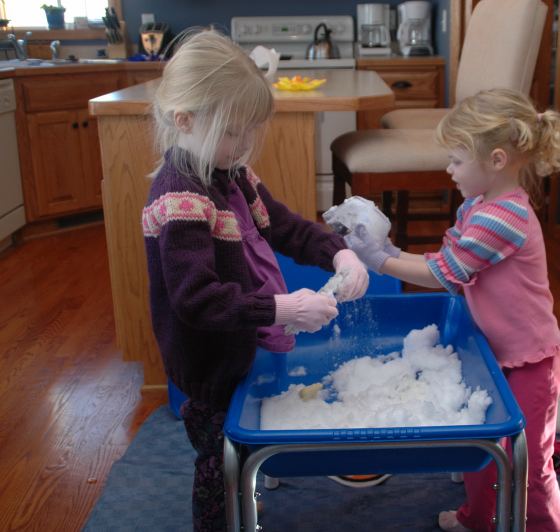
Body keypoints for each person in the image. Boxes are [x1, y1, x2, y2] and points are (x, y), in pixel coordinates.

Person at [141, 29, 369, 532]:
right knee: (219, 462)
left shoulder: (232, 173)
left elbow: (285, 228)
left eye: (251, 131)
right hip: (208, 360)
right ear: (185, 121)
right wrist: (282, 309)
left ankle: (246, 488)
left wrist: (341, 255)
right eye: (233, 132)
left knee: (240, 445)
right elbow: (195, 299)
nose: (244, 145)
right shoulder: (178, 197)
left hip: (241, 343)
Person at [345, 88, 560, 532]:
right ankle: (478, 518)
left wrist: (378, 260)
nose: (448, 169)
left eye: (455, 160)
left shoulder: (504, 217)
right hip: (495, 350)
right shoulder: (477, 205)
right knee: (480, 444)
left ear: (497, 161)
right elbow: (441, 260)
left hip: (531, 358)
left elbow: (449, 274)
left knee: (529, 464)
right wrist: (390, 250)